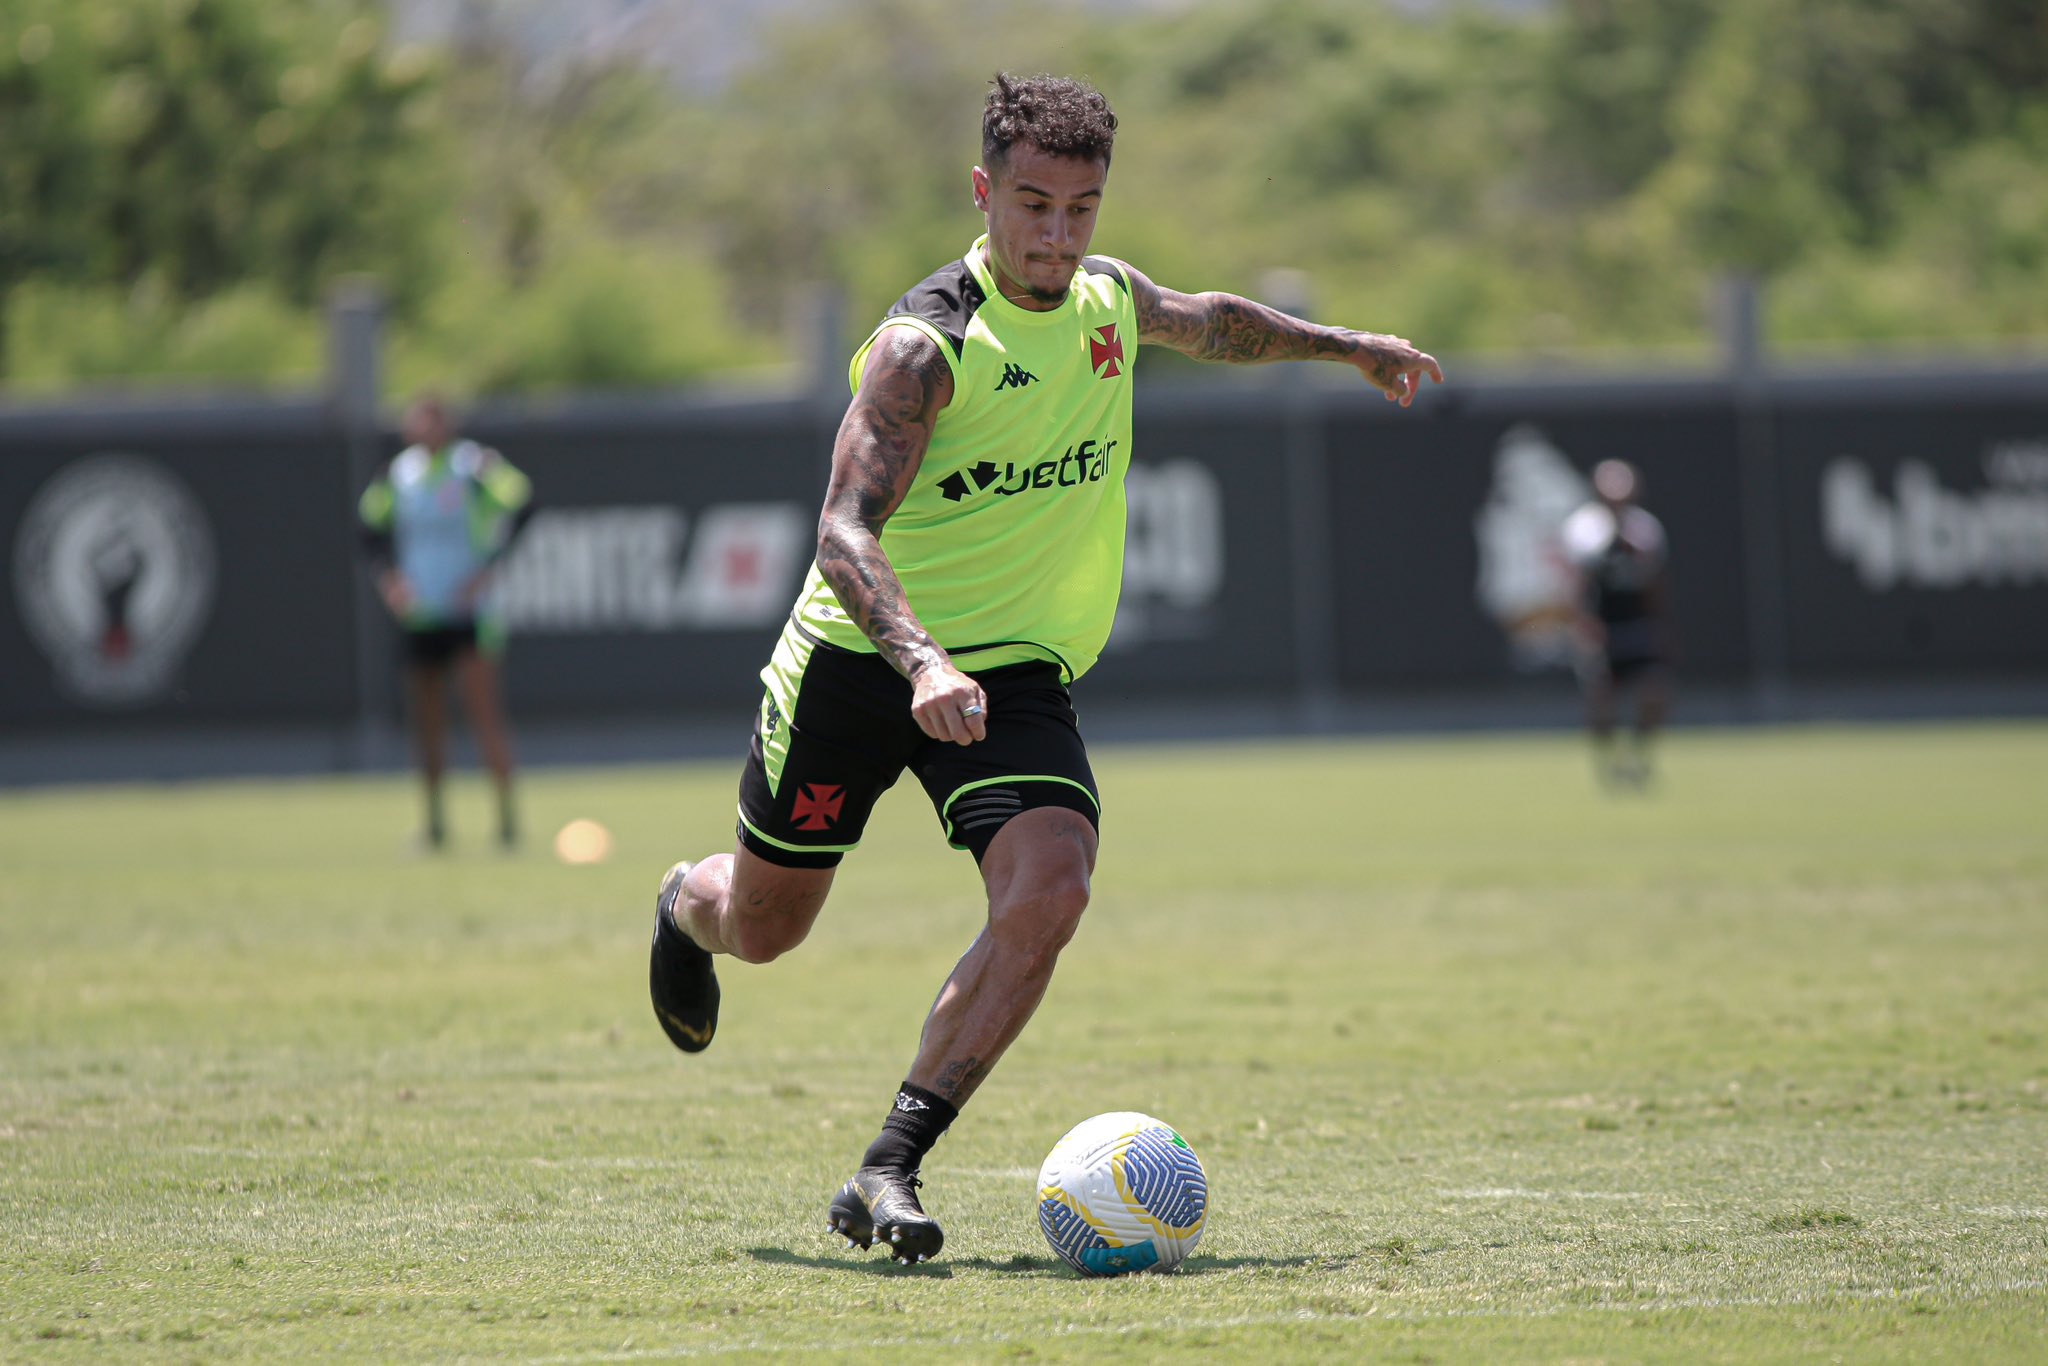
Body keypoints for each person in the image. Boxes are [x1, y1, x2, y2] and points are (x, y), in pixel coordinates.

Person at [647, 72, 1442, 1265]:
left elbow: (1212, 319)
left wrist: (1345, 346)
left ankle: (889, 1162)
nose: (1057, 235)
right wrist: (918, 663)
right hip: (862, 662)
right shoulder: (926, 347)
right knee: (763, 930)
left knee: (1051, 888)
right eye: (1032, 205)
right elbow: (841, 533)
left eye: (1081, 209)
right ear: (983, 194)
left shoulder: (1108, 304)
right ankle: (680, 902)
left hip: (1009, 672)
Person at [359, 395, 534, 848]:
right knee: (427, 721)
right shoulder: (400, 474)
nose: (423, 428)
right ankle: (435, 824)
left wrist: (487, 570)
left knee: (483, 715)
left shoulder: (472, 467)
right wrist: (391, 582)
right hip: (422, 614)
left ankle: (506, 822)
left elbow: (523, 503)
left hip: (468, 613)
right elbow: (369, 530)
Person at [1560, 459, 1672, 789]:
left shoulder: (1646, 529)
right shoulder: (1584, 528)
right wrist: (1582, 625)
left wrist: (1660, 625)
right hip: (1602, 626)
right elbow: (1578, 582)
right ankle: (1608, 762)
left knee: (1654, 691)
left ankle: (1639, 755)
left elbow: (1656, 582)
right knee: (1603, 700)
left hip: (1636, 623)